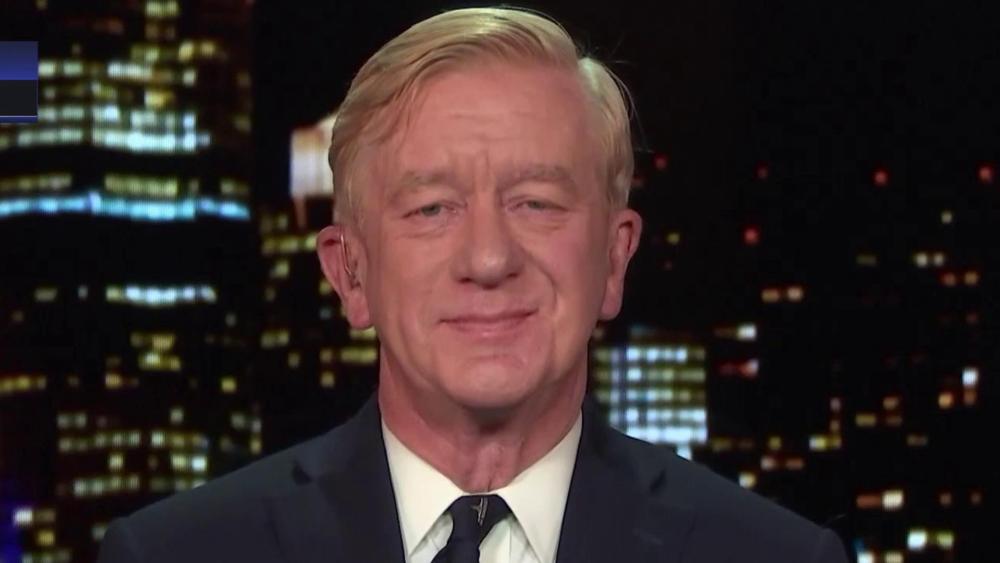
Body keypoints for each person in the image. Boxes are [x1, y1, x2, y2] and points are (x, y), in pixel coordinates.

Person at [98, 7, 849, 563]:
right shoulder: (176, 555)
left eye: (537, 203)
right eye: (432, 209)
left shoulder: (776, 557)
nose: (488, 259)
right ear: (349, 273)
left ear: (614, 260)